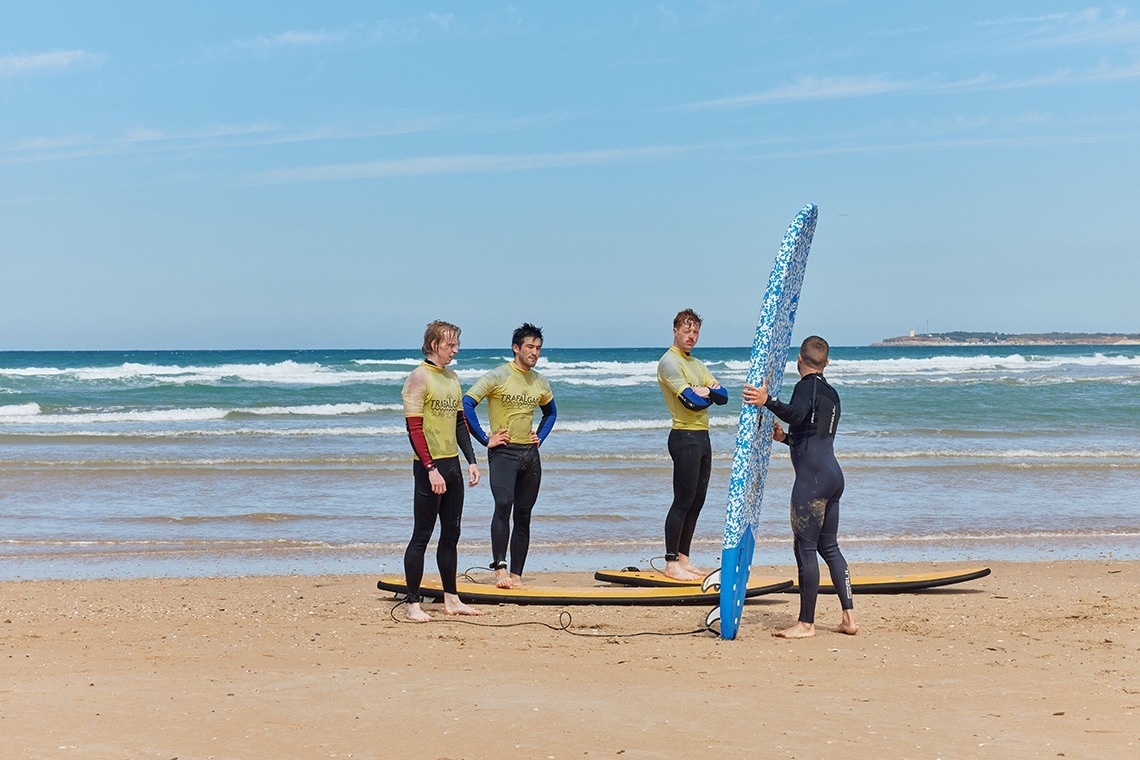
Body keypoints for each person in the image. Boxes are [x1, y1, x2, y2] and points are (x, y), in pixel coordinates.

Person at [742, 335, 858, 638]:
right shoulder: (832, 394)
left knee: (805, 549)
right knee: (829, 548)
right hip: (833, 476)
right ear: (827, 362)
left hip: (812, 482)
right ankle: (849, 618)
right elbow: (811, 435)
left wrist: (768, 401)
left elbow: (797, 414)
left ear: (799, 360)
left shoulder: (806, 387)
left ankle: (806, 624)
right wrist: (784, 439)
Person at [400, 320, 483, 622]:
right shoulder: (418, 379)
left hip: (452, 466)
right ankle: (412, 604)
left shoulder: (452, 377)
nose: (455, 350)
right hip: (429, 468)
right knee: (422, 535)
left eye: (456, 343)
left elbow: (460, 423)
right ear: (434, 345)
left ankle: (452, 599)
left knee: (452, 534)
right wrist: (431, 468)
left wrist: (472, 460)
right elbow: (414, 430)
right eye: (450, 345)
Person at [463, 323, 557, 589]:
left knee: (524, 515)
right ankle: (500, 569)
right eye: (530, 347)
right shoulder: (498, 376)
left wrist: (540, 436)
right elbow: (467, 403)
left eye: (538, 348)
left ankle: (517, 574)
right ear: (516, 348)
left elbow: (551, 413)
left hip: (530, 455)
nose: (535, 352)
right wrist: (485, 439)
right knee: (504, 505)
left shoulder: (539, 380)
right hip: (503, 453)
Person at [656, 308, 728, 581]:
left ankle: (684, 558)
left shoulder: (697, 365)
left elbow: (724, 396)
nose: (692, 336)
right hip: (684, 436)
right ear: (675, 330)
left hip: (702, 436)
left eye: (696, 331)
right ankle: (671, 561)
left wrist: (707, 390)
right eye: (687, 330)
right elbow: (691, 401)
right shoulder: (669, 362)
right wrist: (704, 394)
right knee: (683, 500)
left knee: (697, 500)